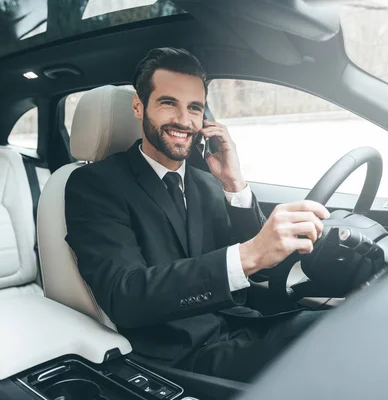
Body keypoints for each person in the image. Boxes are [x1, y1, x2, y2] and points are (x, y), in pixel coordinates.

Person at [65, 47, 329, 382]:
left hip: (241, 326)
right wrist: (248, 255)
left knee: (337, 326)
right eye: (167, 103)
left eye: (194, 108)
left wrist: (235, 185)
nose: (184, 120)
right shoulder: (94, 185)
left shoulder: (206, 182)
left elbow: (260, 272)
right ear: (138, 106)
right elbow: (125, 295)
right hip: (178, 355)